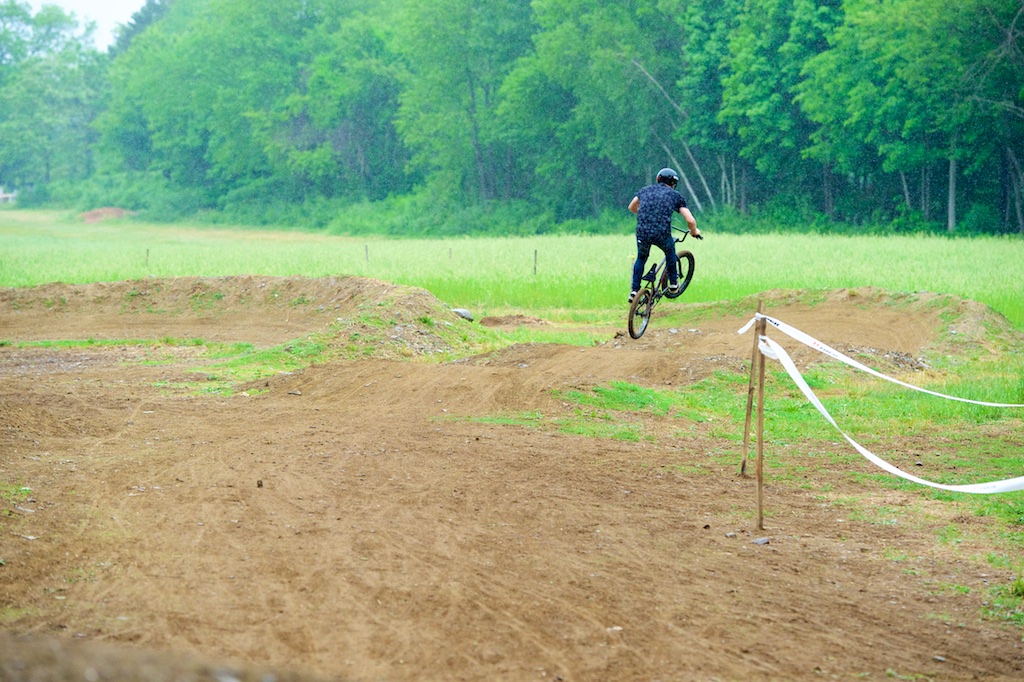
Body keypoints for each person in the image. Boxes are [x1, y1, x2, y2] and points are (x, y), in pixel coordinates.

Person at [628, 168, 701, 303]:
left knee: (641, 258)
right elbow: (690, 221)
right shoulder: (675, 195)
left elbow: (631, 207)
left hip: (642, 231)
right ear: (673, 183)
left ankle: (634, 290)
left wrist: (647, 215)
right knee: (670, 253)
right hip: (661, 233)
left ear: (658, 179)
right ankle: (673, 284)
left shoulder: (645, 190)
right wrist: (694, 231)